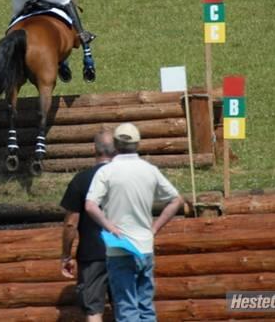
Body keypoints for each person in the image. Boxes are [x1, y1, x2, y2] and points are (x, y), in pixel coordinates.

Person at [85, 123, 185, 322]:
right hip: (145, 247)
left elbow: (90, 206)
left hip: (119, 249)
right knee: (145, 306)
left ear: (115, 144)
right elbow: (176, 200)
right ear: (138, 144)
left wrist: (110, 227)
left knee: (126, 307)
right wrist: (155, 228)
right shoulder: (150, 170)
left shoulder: (107, 172)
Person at [60, 131, 117, 321]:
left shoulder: (81, 180)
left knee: (93, 311)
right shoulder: (127, 179)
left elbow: (70, 224)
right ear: (117, 149)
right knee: (127, 308)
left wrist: (66, 255)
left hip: (92, 255)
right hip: (125, 250)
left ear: (95, 150)